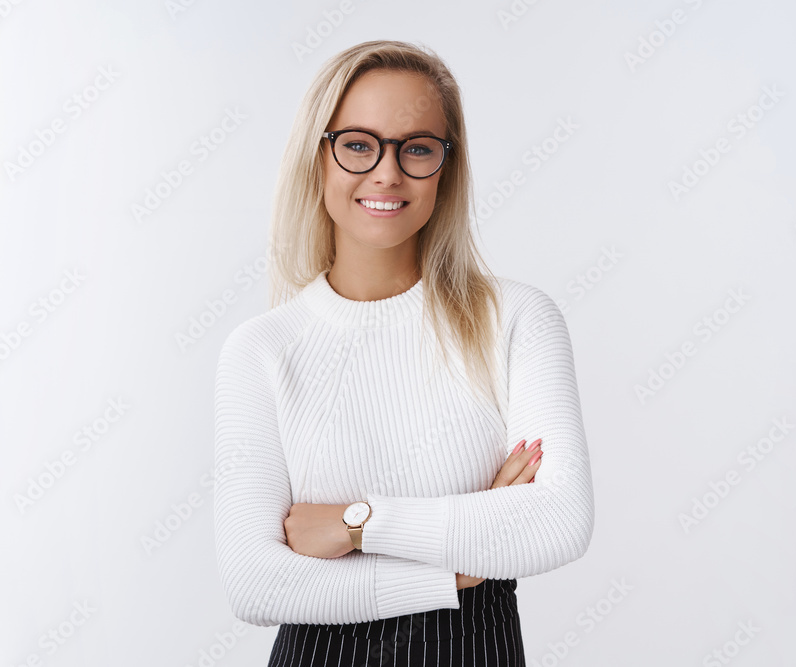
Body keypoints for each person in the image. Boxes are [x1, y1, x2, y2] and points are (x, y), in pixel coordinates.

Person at [213, 39, 594, 666]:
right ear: (319, 157)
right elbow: (257, 582)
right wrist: (456, 570)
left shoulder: (516, 319)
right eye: (358, 144)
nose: (387, 172)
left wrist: (356, 524)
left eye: (417, 148)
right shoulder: (262, 350)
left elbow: (557, 522)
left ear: (447, 169)